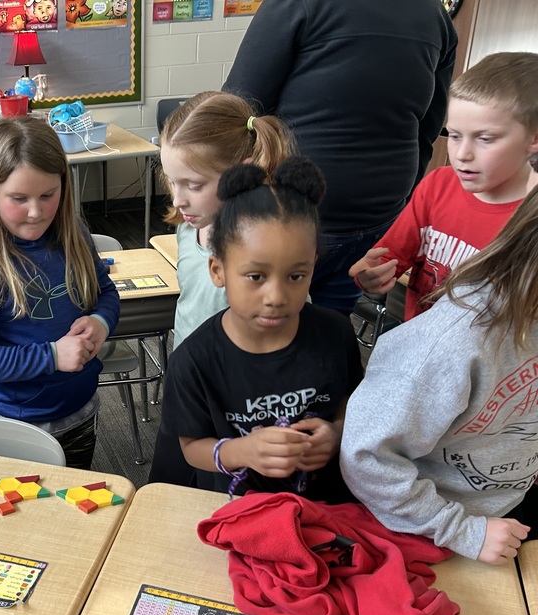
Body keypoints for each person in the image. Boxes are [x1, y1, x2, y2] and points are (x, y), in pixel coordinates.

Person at [342, 186, 538, 566]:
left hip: (507, 502)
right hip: (437, 528)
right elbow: (367, 459)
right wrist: (463, 530)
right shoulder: (452, 342)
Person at [148, 156, 362, 503]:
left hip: (325, 507)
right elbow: (190, 448)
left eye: (296, 276)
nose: (276, 297)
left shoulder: (335, 334)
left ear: (313, 267)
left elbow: (348, 400)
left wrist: (335, 433)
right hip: (239, 509)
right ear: (218, 271)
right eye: (256, 277)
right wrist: (242, 451)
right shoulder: (195, 360)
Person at [224, 0, 457, 315]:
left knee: (262, 332)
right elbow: (428, 128)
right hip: (379, 209)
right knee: (328, 335)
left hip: (294, 214)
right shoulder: (434, 14)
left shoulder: (296, 5)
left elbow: (239, 110)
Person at [0, 118, 120, 470]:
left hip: (79, 411)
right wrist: (53, 356)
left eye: (47, 195)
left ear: (63, 187)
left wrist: (101, 322)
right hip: (13, 425)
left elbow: (105, 291)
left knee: (73, 510)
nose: (36, 212)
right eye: (19, 199)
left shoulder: (73, 232)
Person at [349, 52, 538, 321]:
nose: (462, 154)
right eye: (455, 136)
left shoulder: (529, 216)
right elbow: (388, 258)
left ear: (534, 138)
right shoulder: (438, 184)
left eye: (484, 138)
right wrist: (369, 276)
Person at [158, 91, 293, 349]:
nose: (177, 200)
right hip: (191, 373)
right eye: (172, 182)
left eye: (194, 185)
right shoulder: (189, 229)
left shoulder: (266, 252)